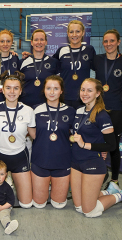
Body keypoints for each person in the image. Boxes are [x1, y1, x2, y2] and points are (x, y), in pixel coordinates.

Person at [70, 78, 122, 218]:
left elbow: (111, 145)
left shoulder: (102, 115)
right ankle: (106, 191)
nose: (84, 93)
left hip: (92, 162)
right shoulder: (79, 110)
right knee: (79, 207)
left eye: (89, 90)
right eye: (82, 89)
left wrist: (84, 144)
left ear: (98, 93)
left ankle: (118, 195)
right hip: (75, 162)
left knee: (89, 211)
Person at [0, 71, 35, 208]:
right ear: (3, 90)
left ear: (20, 91)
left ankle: (9, 182)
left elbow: (34, 135)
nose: (12, 91)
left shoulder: (28, 111)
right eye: (8, 88)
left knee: (26, 204)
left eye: (16, 88)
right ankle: (5, 183)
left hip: (19, 156)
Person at [31, 75, 75, 209]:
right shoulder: (35, 110)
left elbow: (78, 134)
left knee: (59, 205)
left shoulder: (71, 111)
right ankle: (45, 187)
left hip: (62, 162)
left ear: (61, 91)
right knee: (39, 204)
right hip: (40, 161)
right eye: (48, 88)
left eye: (56, 88)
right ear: (43, 90)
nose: (51, 92)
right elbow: (27, 131)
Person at [92, 29, 122, 188]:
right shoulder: (97, 59)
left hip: (116, 109)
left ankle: (115, 180)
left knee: (113, 145)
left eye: (112, 41)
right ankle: (98, 174)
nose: (108, 44)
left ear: (118, 42)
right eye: (106, 41)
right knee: (97, 142)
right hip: (99, 109)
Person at [53, 20, 96, 109]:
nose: (74, 35)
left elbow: (98, 66)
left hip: (84, 97)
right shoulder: (61, 50)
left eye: (78, 31)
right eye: (71, 32)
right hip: (65, 97)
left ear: (83, 33)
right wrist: (32, 56)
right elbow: (48, 63)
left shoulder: (89, 50)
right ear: (68, 34)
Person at [20, 29, 59, 107]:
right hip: (25, 105)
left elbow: (58, 85)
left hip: (46, 106)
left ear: (46, 42)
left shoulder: (54, 62)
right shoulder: (22, 62)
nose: (39, 42)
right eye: (36, 40)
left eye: (42, 39)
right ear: (31, 42)